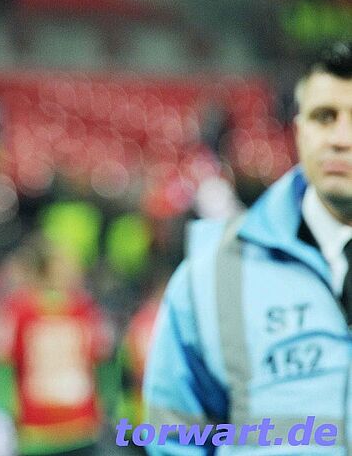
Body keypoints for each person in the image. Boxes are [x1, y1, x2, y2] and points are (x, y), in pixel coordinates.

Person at [143, 41, 352, 454]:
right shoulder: (211, 276)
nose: (341, 138)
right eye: (324, 116)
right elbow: (174, 436)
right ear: (299, 131)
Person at [0, 235, 112, 456]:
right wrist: (8, 409)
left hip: (80, 426)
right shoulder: (19, 311)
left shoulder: (85, 309)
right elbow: (0, 364)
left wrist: (104, 404)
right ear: (47, 268)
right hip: (38, 430)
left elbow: (102, 363)